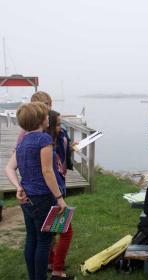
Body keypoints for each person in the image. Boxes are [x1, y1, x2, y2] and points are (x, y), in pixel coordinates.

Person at [5, 102, 67, 280]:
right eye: (47, 115)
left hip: (27, 198)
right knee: (44, 241)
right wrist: (59, 197)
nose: (49, 117)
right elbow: (47, 172)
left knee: (31, 239)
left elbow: (9, 168)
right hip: (43, 198)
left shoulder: (23, 141)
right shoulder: (43, 140)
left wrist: (18, 187)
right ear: (40, 120)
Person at [46, 110, 75, 280]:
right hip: (53, 195)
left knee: (50, 232)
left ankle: (51, 262)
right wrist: (59, 198)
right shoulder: (48, 149)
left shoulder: (54, 142)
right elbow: (50, 174)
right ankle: (57, 271)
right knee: (66, 232)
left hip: (50, 194)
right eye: (57, 125)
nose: (60, 128)